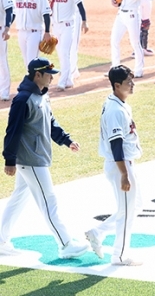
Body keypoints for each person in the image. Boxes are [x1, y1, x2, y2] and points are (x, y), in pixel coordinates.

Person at [0, 57, 89, 258]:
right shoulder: (22, 100)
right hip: (30, 160)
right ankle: (66, 244)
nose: (52, 77)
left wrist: (67, 140)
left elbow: (50, 122)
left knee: (18, 199)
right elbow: (12, 131)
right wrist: (9, 160)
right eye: (49, 74)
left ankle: (0, 241)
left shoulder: (42, 95)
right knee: (49, 201)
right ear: (37, 75)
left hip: (35, 158)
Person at [85, 65, 143, 266]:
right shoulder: (114, 110)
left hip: (123, 164)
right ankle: (120, 255)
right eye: (128, 82)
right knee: (127, 212)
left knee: (134, 206)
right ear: (117, 85)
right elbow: (116, 143)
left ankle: (98, 232)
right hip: (120, 165)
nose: (132, 84)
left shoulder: (117, 103)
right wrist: (124, 174)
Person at [45, 0, 89, 91]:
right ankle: (69, 79)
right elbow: (46, 9)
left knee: (64, 52)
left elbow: (80, 4)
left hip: (68, 25)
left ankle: (62, 81)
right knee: (60, 53)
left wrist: (85, 21)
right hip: (55, 26)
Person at [110, 0, 145, 78]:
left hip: (132, 15)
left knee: (135, 43)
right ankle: (115, 68)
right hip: (121, 14)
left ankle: (139, 69)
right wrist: (114, 1)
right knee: (114, 41)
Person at [55, 0, 88, 81]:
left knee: (73, 45)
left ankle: (72, 72)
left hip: (75, 15)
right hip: (61, 16)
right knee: (61, 46)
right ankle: (68, 70)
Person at [12, 0, 52, 66]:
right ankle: (33, 80)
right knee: (26, 62)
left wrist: (47, 32)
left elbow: (46, 14)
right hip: (21, 32)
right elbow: (13, 13)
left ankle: (35, 80)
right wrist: (7, 26)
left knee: (32, 61)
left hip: (34, 33)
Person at [0, 0, 14, 101]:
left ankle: (4, 91)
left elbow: (10, 11)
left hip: (0, 30)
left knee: (1, 60)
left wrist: (7, 28)